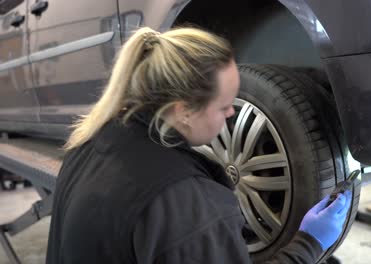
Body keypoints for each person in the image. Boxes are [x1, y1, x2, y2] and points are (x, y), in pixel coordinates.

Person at [46, 26, 352, 264]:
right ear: (184, 111)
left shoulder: (91, 141)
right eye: (224, 106)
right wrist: (310, 243)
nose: (233, 113)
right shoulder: (185, 204)